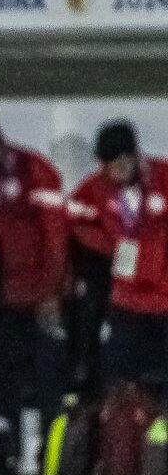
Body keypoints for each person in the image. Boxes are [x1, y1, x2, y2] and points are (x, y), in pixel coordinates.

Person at [0, 113, 68, 475]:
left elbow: (56, 238)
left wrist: (51, 292)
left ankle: (49, 462)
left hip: (38, 299)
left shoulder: (35, 171)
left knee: (48, 384)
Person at [67, 125, 168, 394]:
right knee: (118, 380)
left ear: (136, 155)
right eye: (110, 166)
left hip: (164, 300)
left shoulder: (163, 178)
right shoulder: (95, 189)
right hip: (126, 302)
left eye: (123, 163)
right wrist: (108, 245)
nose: (117, 171)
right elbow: (74, 218)